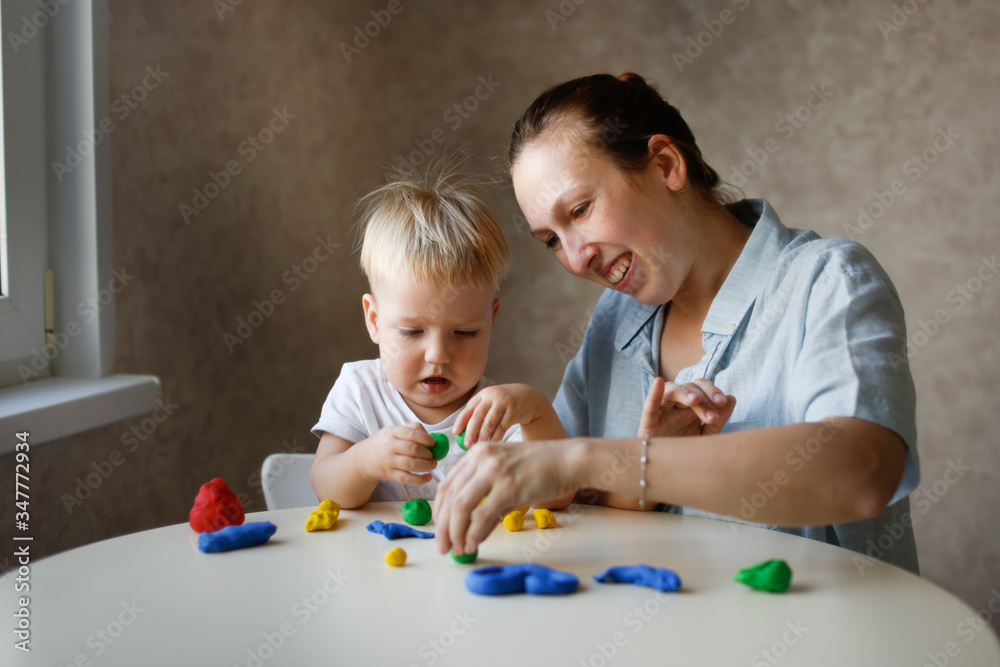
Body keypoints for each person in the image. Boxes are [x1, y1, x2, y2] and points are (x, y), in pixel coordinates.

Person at [435, 73, 920, 574]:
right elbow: (567, 498)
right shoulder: (615, 320)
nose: (576, 259)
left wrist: (602, 461)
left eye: (579, 210)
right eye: (552, 240)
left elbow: (862, 472)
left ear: (666, 166)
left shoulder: (827, 280)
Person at [310, 165, 571, 508]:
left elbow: (557, 495)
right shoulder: (360, 390)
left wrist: (536, 410)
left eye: (464, 333)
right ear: (374, 320)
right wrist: (364, 461)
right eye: (412, 331)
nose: (438, 354)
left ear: (490, 322)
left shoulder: (495, 411)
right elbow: (325, 488)